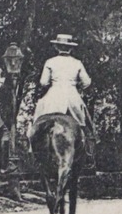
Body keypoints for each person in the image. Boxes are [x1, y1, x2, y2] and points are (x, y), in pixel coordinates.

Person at [32, 33, 94, 161]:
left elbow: (43, 82)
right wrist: (77, 86)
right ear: (70, 48)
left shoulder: (50, 62)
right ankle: (88, 151)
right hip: (72, 96)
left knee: (38, 118)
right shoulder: (77, 63)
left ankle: (32, 146)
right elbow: (87, 82)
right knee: (84, 123)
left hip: (53, 96)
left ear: (56, 47)